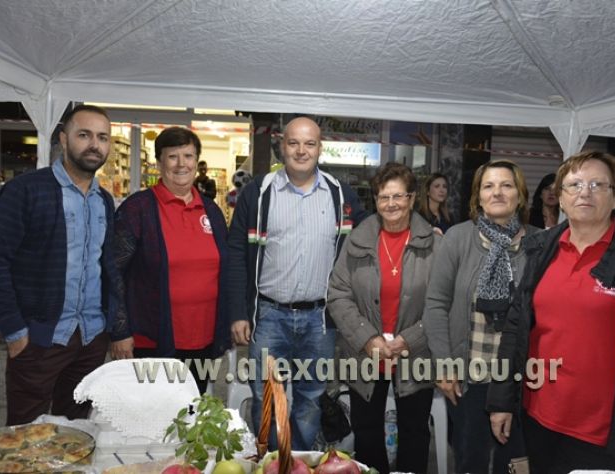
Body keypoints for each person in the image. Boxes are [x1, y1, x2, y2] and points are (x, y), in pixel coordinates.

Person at [487, 151, 615, 472]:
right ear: (561, 198)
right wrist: (501, 401)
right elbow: (516, 327)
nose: (585, 192)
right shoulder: (542, 250)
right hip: (539, 418)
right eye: (575, 185)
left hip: (606, 432)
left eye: (598, 184)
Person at [225, 116, 367, 450]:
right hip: (268, 316)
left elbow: (373, 233)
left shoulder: (340, 195)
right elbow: (235, 254)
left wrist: (420, 230)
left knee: (310, 402)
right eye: (294, 143)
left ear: (320, 148)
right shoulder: (258, 193)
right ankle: (272, 463)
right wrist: (238, 312)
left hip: (320, 320)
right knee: (268, 400)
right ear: (281, 145)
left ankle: (299, 464)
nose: (301, 151)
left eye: (309, 143)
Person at [0, 104, 119, 425]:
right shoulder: (25, 190)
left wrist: (110, 325)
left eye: (102, 137)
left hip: (90, 338)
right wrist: (15, 331)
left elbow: (106, 266)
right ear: (64, 139)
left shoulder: (103, 200)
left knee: (78, 430)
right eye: (84, 135)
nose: (94, 145)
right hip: (39, 339)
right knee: (27, 433)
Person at [328, 162, 439, 474]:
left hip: (416, 354)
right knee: (366, 432)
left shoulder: (435, 246)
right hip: (365, 354)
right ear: (375, 200)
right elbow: (337, 293)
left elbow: (443, 304)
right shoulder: (357, 240)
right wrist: (368, 339)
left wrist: (410, 340)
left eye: (398, 196)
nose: (391, 204)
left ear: (412, 199)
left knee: (415, 432)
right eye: (383, 197)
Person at [423, 159, 533, 473]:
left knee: (516, 463)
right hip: (468, 379)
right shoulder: (458, 238)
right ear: (478, 197)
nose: (497, 192)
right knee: (470, 460)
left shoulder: (538, 244)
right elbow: (436, 304)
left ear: (520, 195)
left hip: (519, 380)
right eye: (488, 186)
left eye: (506, 185)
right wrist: (444, 365)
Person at [109, 127, 230, 393]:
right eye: (173, 156)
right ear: (159, 162)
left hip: (204, 339)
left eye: (188, 156)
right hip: (152, 339)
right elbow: (112, 271)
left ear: (196, 161)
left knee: (192, 405)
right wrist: (119, 331)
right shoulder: (138, 209)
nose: (181, 164)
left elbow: (225, 269)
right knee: (153, 408)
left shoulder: (211, 211)